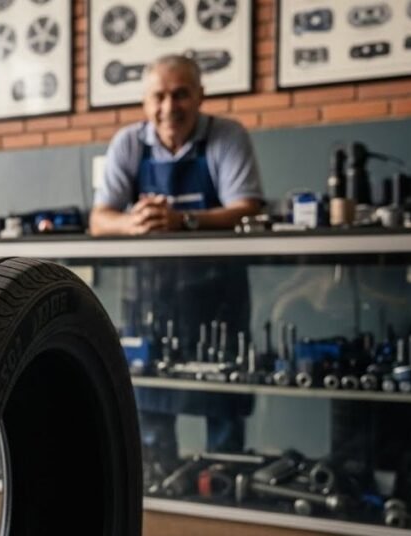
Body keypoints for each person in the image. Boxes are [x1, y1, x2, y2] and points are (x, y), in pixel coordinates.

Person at [89, 55, 264, 469]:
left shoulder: (227, 136)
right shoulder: (129, 143)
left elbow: (247, 209)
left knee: (223, 407)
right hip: (152, 301)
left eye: (181, 94)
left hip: (218, 300)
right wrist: (133, 223)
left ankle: (227, 488)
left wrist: (182, 220)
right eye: (159, 96)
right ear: (145, 103)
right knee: (150, 410)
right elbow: (99, 220)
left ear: (200, 96)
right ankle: (160, 488)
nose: (170, 107)